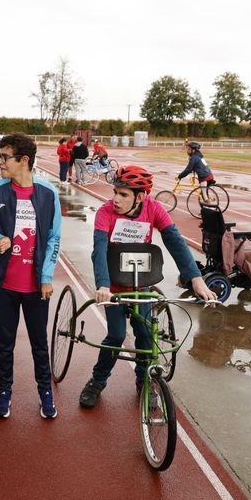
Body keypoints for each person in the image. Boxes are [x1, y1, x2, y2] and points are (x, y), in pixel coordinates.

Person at [78, 165, 218, 408]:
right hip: (113, 287)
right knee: (116, 336)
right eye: (115, 192)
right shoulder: (105, 212)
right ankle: (97, 381)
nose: (115, 199)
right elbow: (98, 251)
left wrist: (196, 279)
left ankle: (144, 381)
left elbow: (175, 242)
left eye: (123, 194)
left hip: (140, 285)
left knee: (145, 334)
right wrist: (103, 285)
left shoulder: (154, 209)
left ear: (140, 196)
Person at [0, 132, 61, 419]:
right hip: (5, 283)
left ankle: (45, 392)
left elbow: (54, 238)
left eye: (5, 157)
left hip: (36, 286)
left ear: (24, 160)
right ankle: (5, 390)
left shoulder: (48, 193)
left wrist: (47, 277)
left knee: (39, 343)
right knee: (5, 343)